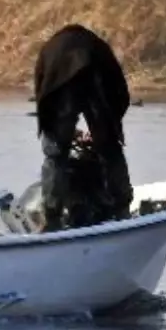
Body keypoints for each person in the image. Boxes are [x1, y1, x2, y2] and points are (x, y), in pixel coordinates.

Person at [33, 23, 133, 230]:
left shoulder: (51, 48)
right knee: (109, 149)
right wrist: (104, 131)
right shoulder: (99, 48)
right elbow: (119, 95)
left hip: (60, 80)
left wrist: (58, 132)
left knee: (55, 154)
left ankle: (52, 219)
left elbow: (43, 94)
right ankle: (122, 209)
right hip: (95, 72)